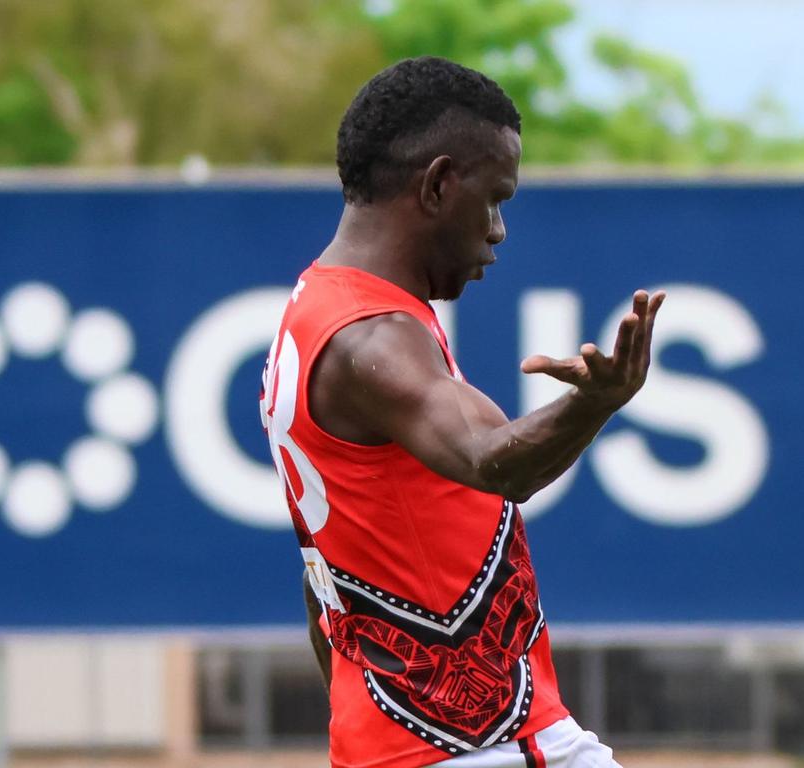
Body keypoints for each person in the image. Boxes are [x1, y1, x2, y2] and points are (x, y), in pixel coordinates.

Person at [261, 56, 665, 768]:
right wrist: (597, 403)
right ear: (440, 184)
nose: (500, 231)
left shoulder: (315, 311)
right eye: (494, 198)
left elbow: (318, 582)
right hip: (475, 749)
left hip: (434, 746)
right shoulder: (371, 338)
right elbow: (493, 461)